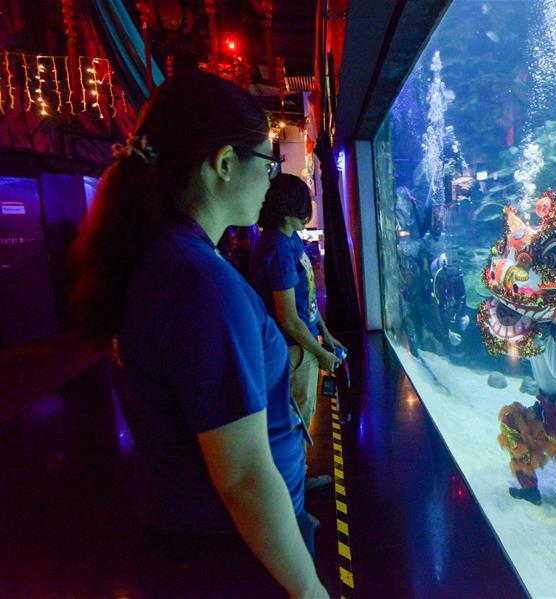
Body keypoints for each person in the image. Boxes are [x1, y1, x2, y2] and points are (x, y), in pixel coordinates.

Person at [69, 70, 327, 598]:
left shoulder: (165, 257)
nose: (271, 180)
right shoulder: (201, 285)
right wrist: (308, 588)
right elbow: (243, 478)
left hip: (195, 543)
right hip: (230, 554)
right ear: (224, 165)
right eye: (268, 163)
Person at [249, 174, 345, 449]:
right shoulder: (277, 248)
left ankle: (300, 477)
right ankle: (296, 485)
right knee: (296, 420)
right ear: (290, 206)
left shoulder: (290, 240)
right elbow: (288, 318)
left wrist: (326, 334)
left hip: (304, 343)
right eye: (304, 202)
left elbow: (308, 297)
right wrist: (321, 353)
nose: (308, 209)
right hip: (293, 349)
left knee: (304, 413)